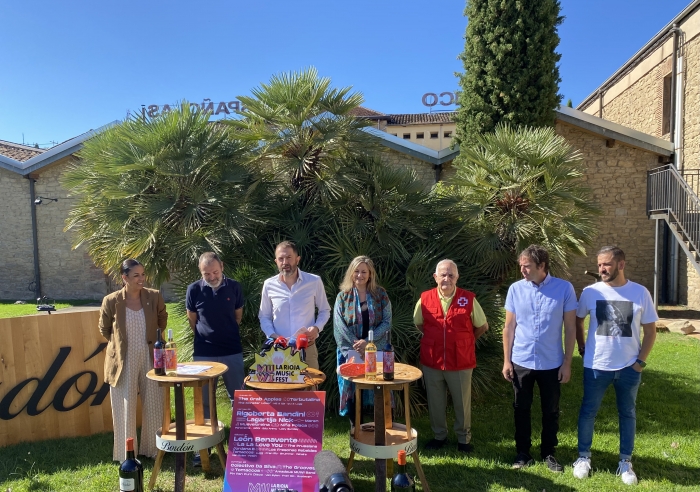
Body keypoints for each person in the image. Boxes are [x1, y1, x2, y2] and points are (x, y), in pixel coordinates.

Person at [572, 246, 658, 485]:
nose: (602, 269)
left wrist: (640, 362)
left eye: (607, 264)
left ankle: (625, 462)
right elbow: (578, 321)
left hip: (629, 367)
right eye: (599, 264)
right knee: (588, 412)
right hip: (596, 366)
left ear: (621, 264)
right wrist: (582, 348)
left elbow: (651, 332)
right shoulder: (590, 292)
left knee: (627, 413)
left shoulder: (640, 293)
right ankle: (583, 457)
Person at [502, 245, 577, 472]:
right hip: (521, 360)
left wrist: (567, 363)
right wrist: (507, 360)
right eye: (521, 266)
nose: (522, 270)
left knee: (551, 410)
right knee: (521, 408)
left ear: (541, 265)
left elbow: (570, 328)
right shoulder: (515, 289)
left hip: (551, 362)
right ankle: (522, 452)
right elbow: (509, 327)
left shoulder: (564, 289)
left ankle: (548, 452)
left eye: (527, 266)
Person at [414, 259, 489, 453]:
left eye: (451, 275)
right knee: (435, 401)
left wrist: (466, 340)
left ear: (457, 277)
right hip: (433, 360)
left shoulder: (468, 298)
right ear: (435, 277)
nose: (446, 278)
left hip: (460, 360)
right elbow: (419, 324)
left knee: (462, 402)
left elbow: (482, 326)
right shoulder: (425, 298)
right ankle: (439, 436)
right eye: (443, 275)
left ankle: (463, 439)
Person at [99, 258, 167, 462]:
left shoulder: (154, 296)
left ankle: (153, 449)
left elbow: (162, 319)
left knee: (154, 402)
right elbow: (104, 329)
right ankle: (126, 454)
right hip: (123, 360)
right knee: (125, 407)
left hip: (150, 355)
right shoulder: (111, 300)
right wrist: (120, 346)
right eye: (136, 275)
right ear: (124, 278)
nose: (141, 278)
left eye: (143, 274)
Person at [186, 252, 244, 466]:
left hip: (232, 350)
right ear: (200, 272)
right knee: (204, 401)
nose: (212, 277)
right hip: (204, 353)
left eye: (215, 272)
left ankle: (241, 446)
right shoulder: (193, 289)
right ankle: (203, 449)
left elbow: (238, 316)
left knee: (238, 398)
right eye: (206, 274)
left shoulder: (234, 287)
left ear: (222, 266)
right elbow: (192, 319)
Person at [333, 256, 392, 422]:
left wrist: (368, 342)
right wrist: (357, 345)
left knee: (378, 386)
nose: (360, 275)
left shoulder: (380, 295)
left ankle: (379, 427)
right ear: (351, 273)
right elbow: (339, 325)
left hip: (376, 349)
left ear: (370, 274)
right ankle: (356, 427)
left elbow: (387, 321)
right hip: (350, 350)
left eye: (364, 272)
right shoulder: (342, 297)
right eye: (356, 271)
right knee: (352, 387)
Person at [259, 241, 331, 370]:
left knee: (311, 384)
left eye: (289, 257)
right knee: (281, 385)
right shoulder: (269, 285)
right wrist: (272, 335)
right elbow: (264, 316)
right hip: (279, 350)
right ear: (276, 261)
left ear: (297, 259)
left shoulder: (314, 281)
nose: (285, 262)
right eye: (281, 259)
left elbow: (325, 310)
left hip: (306, 349)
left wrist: (316, 328)